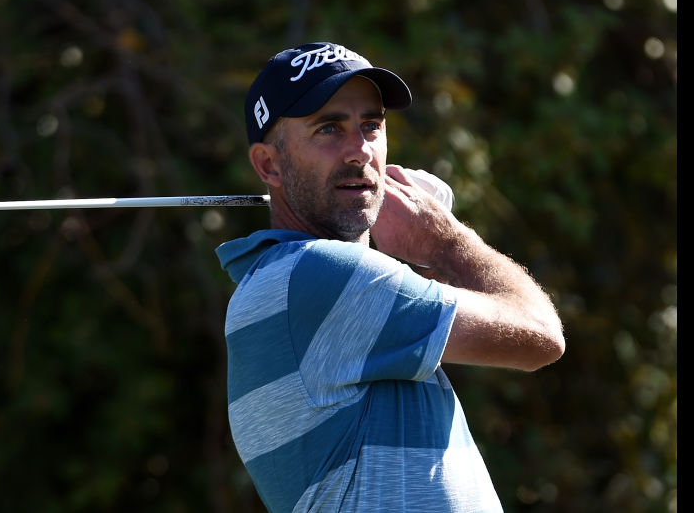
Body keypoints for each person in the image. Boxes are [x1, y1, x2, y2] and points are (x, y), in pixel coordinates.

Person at [214, 42, 565, 512]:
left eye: (371, 126)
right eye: (328, 129)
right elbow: (540, 336)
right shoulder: (321, 276)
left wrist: (420, 259)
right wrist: (444, 242)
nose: (360, 151)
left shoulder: (291, 283)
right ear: (269, 165)